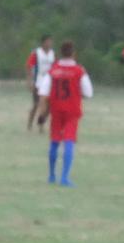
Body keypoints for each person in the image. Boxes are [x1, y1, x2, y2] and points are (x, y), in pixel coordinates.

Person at [37, 41, 93, 187]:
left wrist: (43, 112)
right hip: (72, 111)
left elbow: (43, 93)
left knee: (54, 141)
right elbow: (88, 92)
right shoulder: (79, 70)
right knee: (69, 141)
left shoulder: (53, 71)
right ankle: (65, 177)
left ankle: (51, 175)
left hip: (56, 110)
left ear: (60, 53)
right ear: (74, 53)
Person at [26, 35, 55, 131]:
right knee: (36, 104)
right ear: (43, 43)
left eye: (51, 41)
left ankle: (41, 124)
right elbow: (29, 66)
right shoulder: (36, 53)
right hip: (38, 81)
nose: (49, 43)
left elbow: (54, 67)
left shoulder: (52, 53)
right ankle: (30, 124)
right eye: (48, 41)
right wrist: (30, 81)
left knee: (48, 106)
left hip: (49, 82)